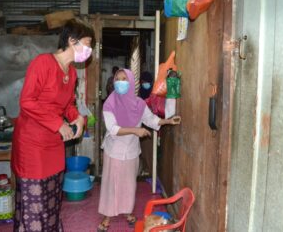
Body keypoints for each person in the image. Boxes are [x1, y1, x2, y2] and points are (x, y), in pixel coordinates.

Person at [11, 19, 95, 232]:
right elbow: (27, 101)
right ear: (71, 40)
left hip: (53, 144)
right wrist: (59, 124)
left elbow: (68, 104)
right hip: (33, 145)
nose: (89, 50)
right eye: (87, 43)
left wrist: (77, 118)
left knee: (52, 198)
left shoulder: (72, 72)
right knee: (35, 200)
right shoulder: (43, 63)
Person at [97, 69, 181, 231]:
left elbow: (150, 120)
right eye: (117, 79)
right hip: (114, 150)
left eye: (124, 79)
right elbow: (113, 128)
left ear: (130, 82)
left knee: (129, 185)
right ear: (114, 82)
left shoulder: (139, 103)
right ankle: (107, 216)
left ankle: (127, 212)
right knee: (112, 184)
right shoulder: (110, 103)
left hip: (132, 151)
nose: (121, 82)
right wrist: (136, 130)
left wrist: (168, 121)